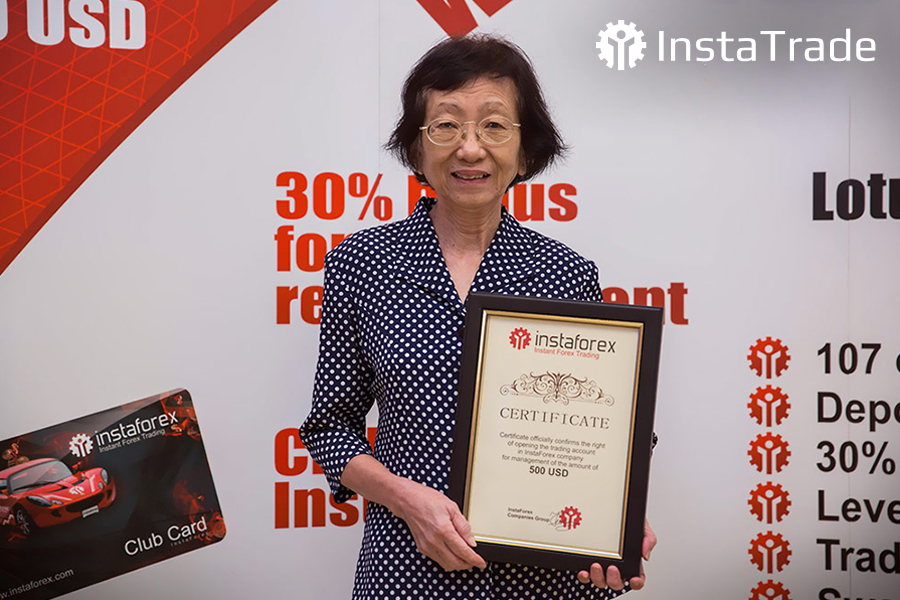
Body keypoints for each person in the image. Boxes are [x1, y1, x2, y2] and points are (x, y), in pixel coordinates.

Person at [299, 34, 656, 600]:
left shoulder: (566, 273)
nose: (470, 148)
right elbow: (329, 429)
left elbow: (612, 425)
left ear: (526, 150)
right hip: (409, 570)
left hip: (544, 581)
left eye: (493, 126)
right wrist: (407, 500)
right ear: (416, 149)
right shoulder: (361, 263)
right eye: (446, 126)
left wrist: (614, 513)